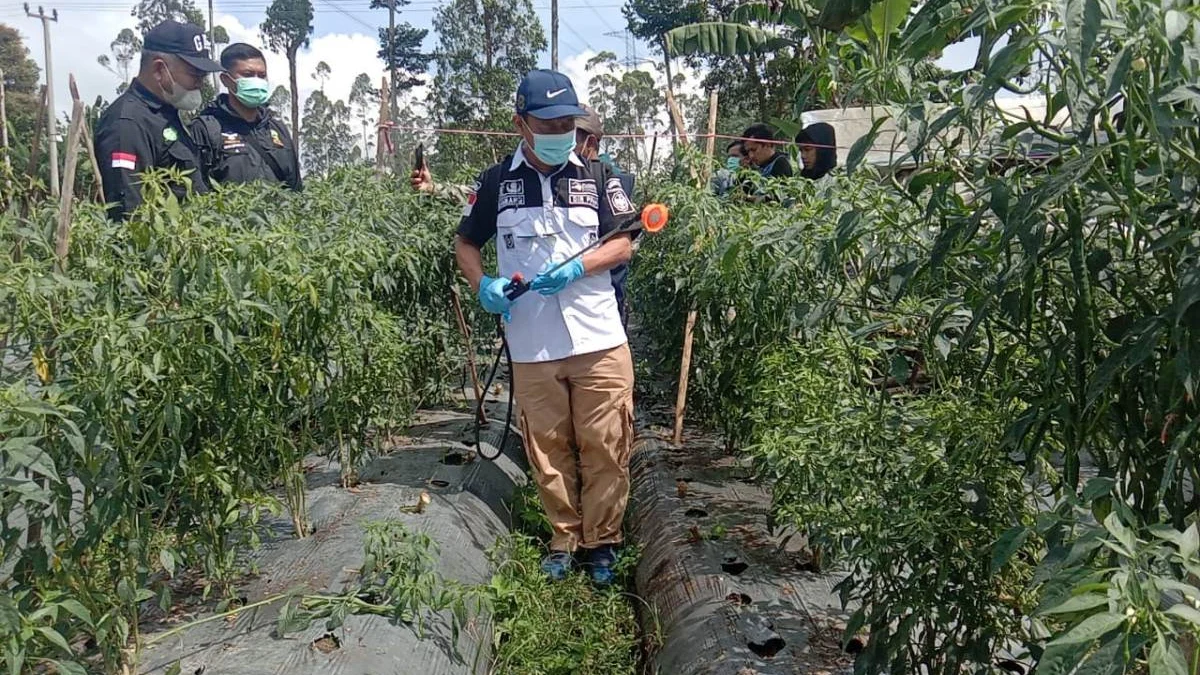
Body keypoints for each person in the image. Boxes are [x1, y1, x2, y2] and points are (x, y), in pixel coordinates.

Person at [454, 70, 638, 586]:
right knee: (549, 447)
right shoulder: (495, 183)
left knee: (605, 442)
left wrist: (581, 266)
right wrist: (482, 284)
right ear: (521, 124)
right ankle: (565, 536)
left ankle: (603, 541)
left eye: (568, 122)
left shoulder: (601, 178)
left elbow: (624, 242)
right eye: (549, 122)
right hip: (532, 342)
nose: (562, 130)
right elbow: (465, 244)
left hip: (598, 336)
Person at [413, 104, 636, 327]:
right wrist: (435, 188)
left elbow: (624, 246)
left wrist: (579, 266)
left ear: (591, 144)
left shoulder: (606, 179)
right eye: (550, 129)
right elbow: (491, 197)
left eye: (566, 132)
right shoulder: (541, 173)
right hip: (538, 323)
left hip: (601, 311)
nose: (557, 138)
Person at [94, 20, 223, 221]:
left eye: (203, 76)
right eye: (194, 74)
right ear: (159, 69)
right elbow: (129, 216)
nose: (200, 83)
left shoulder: (167, 114)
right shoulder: (127, 123)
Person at [189, 43, 302, 191]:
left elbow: (296, 188)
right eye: (248, 75)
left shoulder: (277, 129)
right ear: (226, 80)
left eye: (262, 75)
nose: (257, 81)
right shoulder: (206, 129)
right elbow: (197, 190)